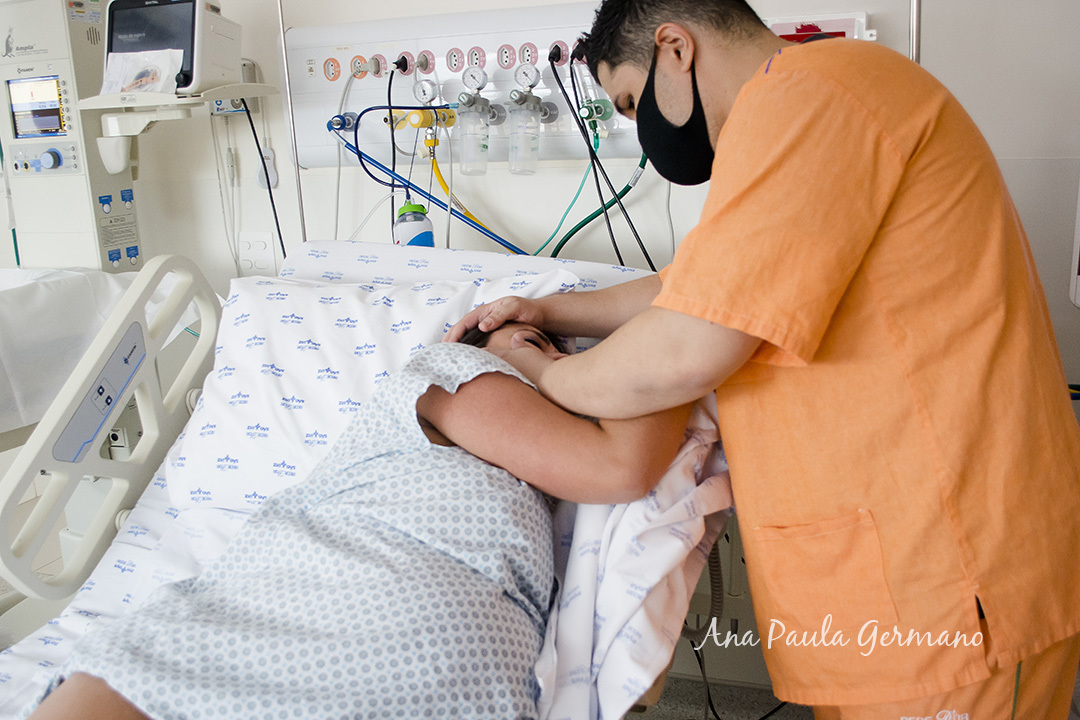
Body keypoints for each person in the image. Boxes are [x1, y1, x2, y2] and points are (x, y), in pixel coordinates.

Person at [445, 0, 1080, 716]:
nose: (636, 124)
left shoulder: (813, 95)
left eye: (630, 99)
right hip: (889, 598)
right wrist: (549, 311)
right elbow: (692, 289)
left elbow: (687, 347)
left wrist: (542, 370)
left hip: (948, 589)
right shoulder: (800, 113)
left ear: (675, 49)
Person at [25, 324, 692, 720]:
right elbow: (646, 404)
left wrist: (552, 364)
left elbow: (624, 453)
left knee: (129, 676)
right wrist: (544, 362)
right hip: (315, 594)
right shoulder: (458, 371)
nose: (570, 365)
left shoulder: (521, 446)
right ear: (478, 336)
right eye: (545, 343)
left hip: (386, 630)